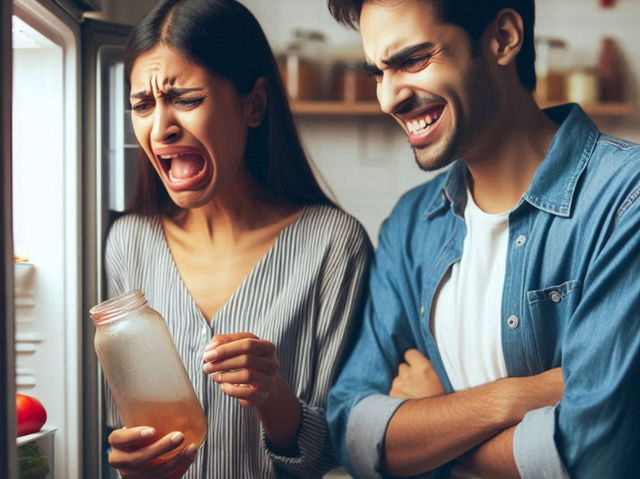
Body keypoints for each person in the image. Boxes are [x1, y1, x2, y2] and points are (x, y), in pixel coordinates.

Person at [326, 0, 640, 478]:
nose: (388, 98)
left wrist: (434, 419)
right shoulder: (411, 225)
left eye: (413, 60)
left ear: (503, 38)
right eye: (377, 72)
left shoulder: (624, 200)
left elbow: (594, 456)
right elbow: (352, 430)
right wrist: (509, 400)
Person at [102, 0, 372, 477]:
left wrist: (274, 396)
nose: (161, 128)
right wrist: (129, 460)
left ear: (254, 104)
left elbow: (338, 448)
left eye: (185, 98)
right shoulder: (128, 243)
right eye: (143, 105)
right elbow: (125, 424)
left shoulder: (334, 244)